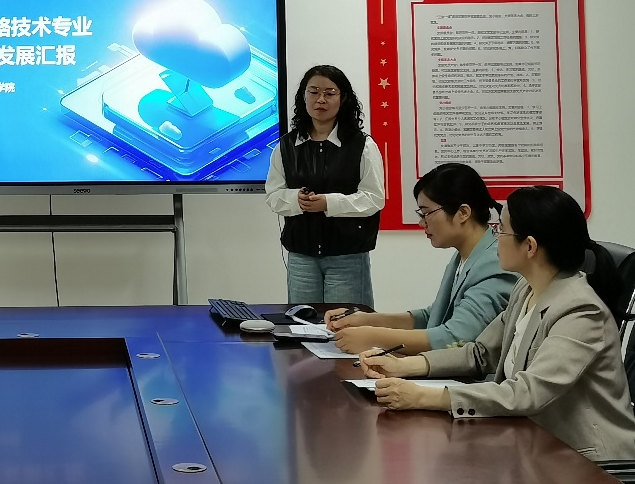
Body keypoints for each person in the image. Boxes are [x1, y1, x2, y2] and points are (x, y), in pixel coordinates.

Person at [360, 185, 635, 462]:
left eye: (501, 230)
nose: (495, 237)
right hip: (535, 442)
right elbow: (480, 353)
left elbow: (528, 393)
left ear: (529, 246)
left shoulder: (580, 311)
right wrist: (403, 366)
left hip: (587, 460)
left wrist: (423, 397)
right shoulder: (525, 290)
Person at [324, 162, 515, 354]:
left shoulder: (495, 264)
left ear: (463, 213)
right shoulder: (465, 256)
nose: (422, 222)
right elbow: (433, 317)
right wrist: (366, 320)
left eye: (426, 213)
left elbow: (456, 337)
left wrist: (373, 337)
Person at [264, 64, 384, 307]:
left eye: (329, 93)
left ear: (343, 98)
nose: (321, 100)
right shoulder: (286, 146)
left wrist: (328, 203)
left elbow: (373, 198)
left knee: (346, 324)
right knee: (302, 323)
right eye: (314, 92)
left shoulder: (362, 145)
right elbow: (273, 195)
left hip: (347, 256)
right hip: (301, 257)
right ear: (303, 96)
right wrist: (296, 200)